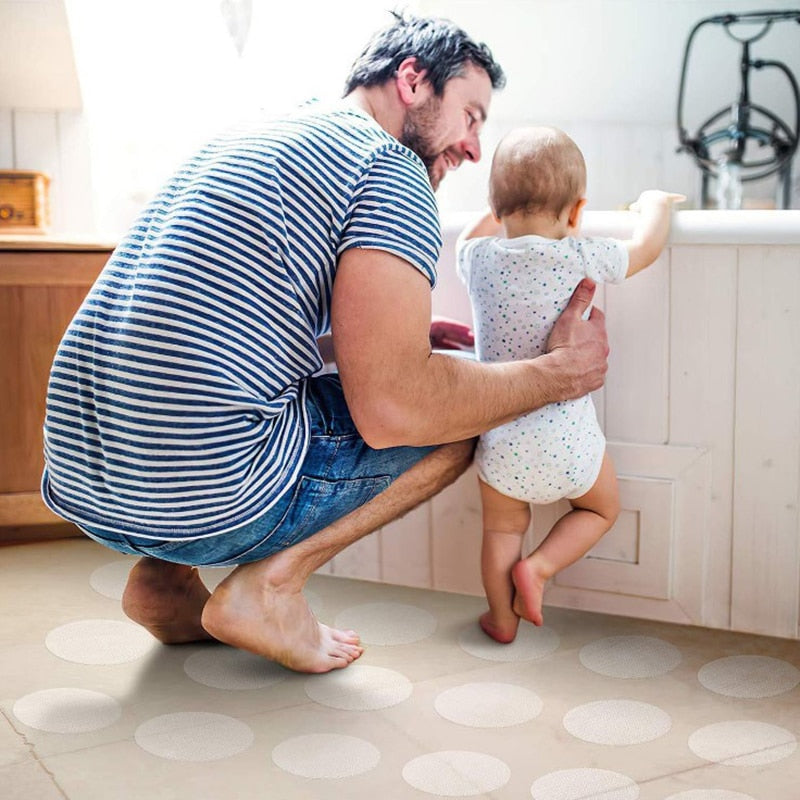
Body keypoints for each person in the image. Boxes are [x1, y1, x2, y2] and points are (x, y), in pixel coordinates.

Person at [41, 16, 610, 675]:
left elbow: (228, 323)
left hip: (84, 481)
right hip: (202, 495)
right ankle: (271, 587)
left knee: (239, 393)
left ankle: (163, 582)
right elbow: (396, 409)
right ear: (413, 79)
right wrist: (556, 373)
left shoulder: (261, 131)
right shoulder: (389, 167)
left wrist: (370, 341)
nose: (475, 149)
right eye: (471, 115)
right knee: (456, 412)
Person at [457, 126, 684, 643]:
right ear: (577, 212)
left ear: (496, 205)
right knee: (601, 509)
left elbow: (467, 236)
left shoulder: (478, 259)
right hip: (570, 444)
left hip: (501, 442)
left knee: (501, 531)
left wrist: (498, 205)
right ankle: (537, 569)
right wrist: (655, 204)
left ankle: (501, 619)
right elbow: (645, 248)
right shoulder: (580, 254)